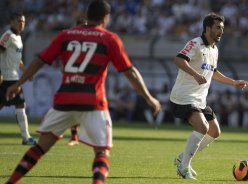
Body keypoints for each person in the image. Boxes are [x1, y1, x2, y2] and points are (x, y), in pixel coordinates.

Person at [5, 1, 161, 184]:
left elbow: (40, 60)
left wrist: (18, 83)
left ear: (86, 16)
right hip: (93, 102)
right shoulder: (109, 38)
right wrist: (149, 97)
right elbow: (130, 72)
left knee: (39, 148)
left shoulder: (66, 35)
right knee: (102, 152)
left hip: (64, 100)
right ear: (106, 18)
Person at [170, 13, 248, 180]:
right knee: (203, 128)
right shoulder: (195, 44)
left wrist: (234, 82)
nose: (221, 31)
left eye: (222, 28)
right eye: (218, 28)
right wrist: (196, 74)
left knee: (215, 131)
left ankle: (182, 158)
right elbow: (178, 60)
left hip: (199, 99)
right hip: (184, 97)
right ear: (207, 29)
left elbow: (213, 72)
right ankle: (183, 168)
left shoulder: (214, 49)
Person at [0, 12, 36, 145]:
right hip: (7, 78)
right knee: (20, 104)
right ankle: (26, 138)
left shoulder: (18, 38)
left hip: (13, 76)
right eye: (19, 21)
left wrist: (27, 72)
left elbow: (17, 59)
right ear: (12, 22)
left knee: (18, 104)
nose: (22, 24)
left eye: (23, 22)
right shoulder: (7, 35)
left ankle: (26, 137)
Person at [67, 16, 88, 146]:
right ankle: (74, 136)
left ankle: (83, 136)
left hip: (88, 78)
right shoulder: (71, 39)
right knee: (72, 107)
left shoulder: (92, 40)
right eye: (82, 25)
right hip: (73, 77)